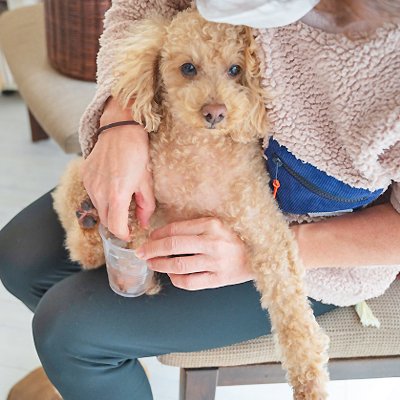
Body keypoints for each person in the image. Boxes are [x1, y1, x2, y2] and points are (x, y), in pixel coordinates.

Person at [0, 0, 399, 399]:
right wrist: (121, 118)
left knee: (68, 332)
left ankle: (93, 365)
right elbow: (140, 9)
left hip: (323, 248)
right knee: (18, 257)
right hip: (178, 166)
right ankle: (104, 375)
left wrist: (260, 252)